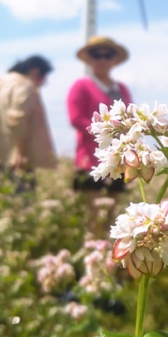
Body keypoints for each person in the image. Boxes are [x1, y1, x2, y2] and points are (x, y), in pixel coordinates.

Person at [67, 36, 133, 237]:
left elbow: (130, 118)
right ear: (89, 59)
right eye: (97, 55)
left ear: (114, 59)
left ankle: (111, 258)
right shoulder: (81, 86)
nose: (102, 59)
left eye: (108, 55)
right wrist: (106, 132)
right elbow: (76, 118)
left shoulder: (121, 89)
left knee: (113, 214)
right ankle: (95, 253)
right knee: (95, 214)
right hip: (91, 160)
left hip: (118, 160)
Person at [0, 55, 57, 195]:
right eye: (43, 78)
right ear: (36, 71)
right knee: (20, 207)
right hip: (13, 160)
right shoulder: (24, 85)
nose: (43, 82)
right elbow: (18, 119)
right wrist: (21, 153)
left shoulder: (0, 86)